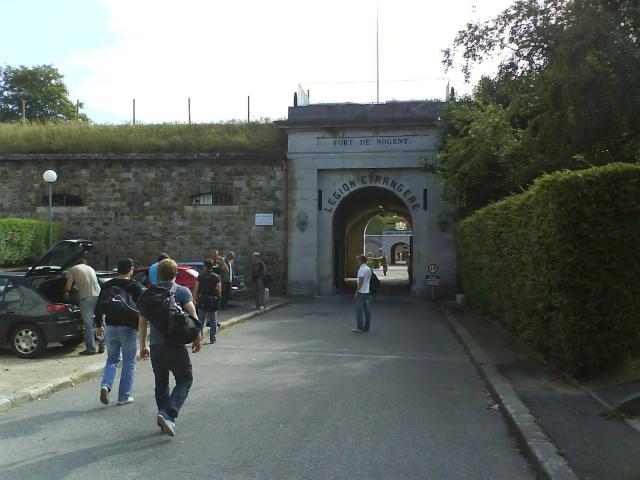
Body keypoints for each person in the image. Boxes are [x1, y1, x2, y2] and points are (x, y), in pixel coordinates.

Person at [139, 258, 201, 436]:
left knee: (161, 384)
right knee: (185, 380)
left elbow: (142, 323)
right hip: (175, 345)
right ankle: (168, 414)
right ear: (176, 274)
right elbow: (192, 314)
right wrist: (196, 338)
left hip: (156, 346)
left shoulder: (148, 294)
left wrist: (143, 346)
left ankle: (165, 419)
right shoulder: (182, 292)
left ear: (158, 275)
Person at [95, 258, 143, 406]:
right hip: (128, 328)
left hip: (110, 326)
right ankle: (124, 396)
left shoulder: (108, 284)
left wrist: (98, 325)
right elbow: (142, 309)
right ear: (131, 270)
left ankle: (106, 385)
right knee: (129, 362)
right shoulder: (135, 286)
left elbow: (98, 306)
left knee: (112, 359)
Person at [63, 253, 103, 355]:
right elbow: (86, 283)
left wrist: (65, 293)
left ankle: (91, 349)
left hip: (87, 298)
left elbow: (68, 287)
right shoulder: (90, 269)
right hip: (99, 295)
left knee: (88, 324)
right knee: (100, 322)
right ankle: (103, 345)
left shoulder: (72, 269)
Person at [192, 258, 221, 344]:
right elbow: (219, 289)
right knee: (213, 321)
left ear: (205, 267)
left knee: (200, 320)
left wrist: (194, 299)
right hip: (213, 300)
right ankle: (212, 338)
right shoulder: (216, 277)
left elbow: (195, 289)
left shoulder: (200, 277)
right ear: (212, 266)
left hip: (203, 300)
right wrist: (219, 298)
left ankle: (199, 338)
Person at [353, 254, 372, 333]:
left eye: (358, 261)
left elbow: (360, 282)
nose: (357, 262)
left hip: (361, 292)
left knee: (359, 311)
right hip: (367, 292)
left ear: (361, 261)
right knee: (367, 311)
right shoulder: (368, 269)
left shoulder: (361, 270)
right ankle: (367, 327)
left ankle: (360, 328)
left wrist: (356, 292)